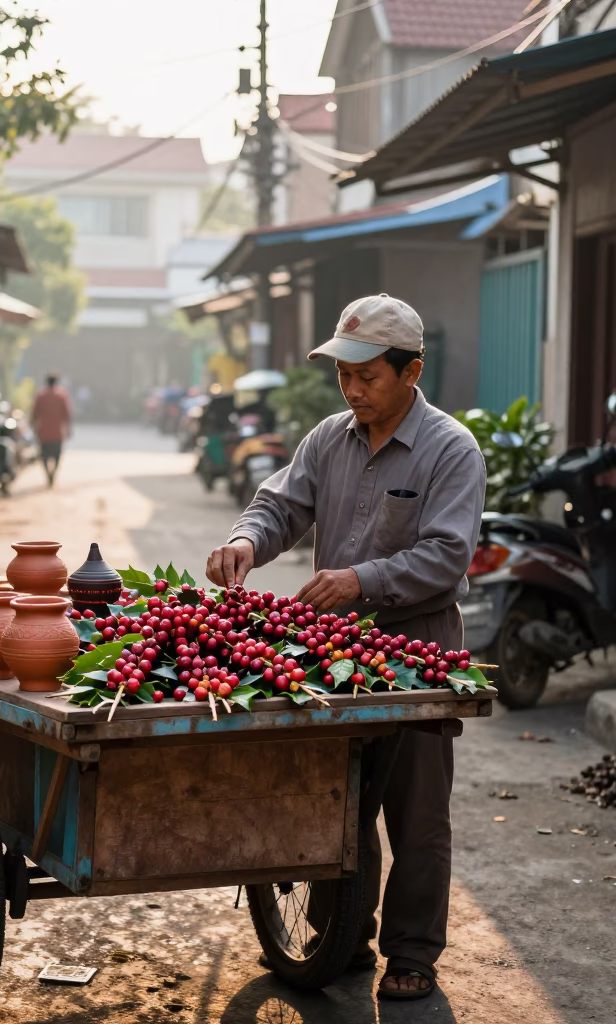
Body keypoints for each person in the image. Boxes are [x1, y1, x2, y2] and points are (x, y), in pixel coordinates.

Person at [206, 293, 486, 1001]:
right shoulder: (330, 437)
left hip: (417, 660)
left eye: (367, 376)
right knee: (337, 802)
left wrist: (361, 578)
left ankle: (414, 953)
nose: (353, 390)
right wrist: (245, 540)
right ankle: (343, 941)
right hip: (331, 660)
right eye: (344, 376)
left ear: (411, 370)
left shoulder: (451, 449)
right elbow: (279, 505)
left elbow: (447, 559)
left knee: (416, 811)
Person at [31, 373, 72, 487]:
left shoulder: (41, 395)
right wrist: (68, 429)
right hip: (57, 432)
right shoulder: (62, 395)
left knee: (43, 455)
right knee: (57, 455)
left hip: (43, 432)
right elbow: (67, 414)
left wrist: (33, 427)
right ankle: (53, 473)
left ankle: (48, 474)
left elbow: (34, 413)